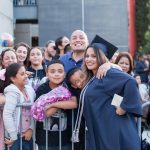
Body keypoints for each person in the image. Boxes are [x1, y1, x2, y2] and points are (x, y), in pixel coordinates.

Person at [71, 36, 142, 150]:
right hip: (103, 128)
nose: (89, 59)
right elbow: (113, 93)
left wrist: (124, 107)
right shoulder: (95, 77)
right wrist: (117, 101)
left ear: (102, 58)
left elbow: (131, 82)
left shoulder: (107, 73)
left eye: (94, 56)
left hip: (113, 131)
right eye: (87, 56)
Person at [35, 59, 77, 150]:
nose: (56, 74)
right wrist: (63, 101)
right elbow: (45, 113)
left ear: (64, 74)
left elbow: (74, 103)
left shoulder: (67, 87)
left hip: (65, 138)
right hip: (45, 139)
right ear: (47, 73)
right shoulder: (42, 89)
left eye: (60, 71)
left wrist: (52, 105)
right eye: (52, 71)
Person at [3, 63, 35, 150]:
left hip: (28, 134)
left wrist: (31, 129)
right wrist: (13, 136)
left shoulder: (30, 89)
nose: (25, 76)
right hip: (15, 137)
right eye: (22, 74)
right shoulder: (11, 91)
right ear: (13, 78)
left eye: (25, 73)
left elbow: (34, 111)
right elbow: (7, 114)